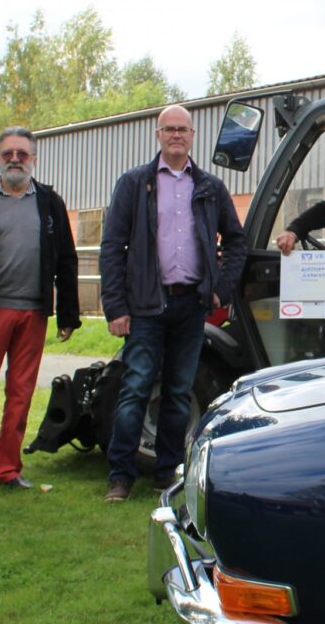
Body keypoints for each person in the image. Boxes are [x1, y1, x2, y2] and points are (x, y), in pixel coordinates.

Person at [100, 105, 247, 502]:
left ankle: (166, 472)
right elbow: (112, 247)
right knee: (135, 389)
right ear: (159, 135)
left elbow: (236, 241)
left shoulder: (210, 187)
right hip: (145, 305)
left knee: (179, 393)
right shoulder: (135, 183)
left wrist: (221, 288)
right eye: (169, 129)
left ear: (192, 135)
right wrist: (116, 307)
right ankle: (120, 477)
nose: (176, 135)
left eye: (183, 129)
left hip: (191, 305)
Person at [0, 126, 80, 499]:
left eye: (22, 153)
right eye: (8, 153)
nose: (15, 159)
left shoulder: (50, 203)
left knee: (20, 394)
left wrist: (67, 314)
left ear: (33, 158)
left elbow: (66, 260)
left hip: (33, 313)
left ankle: (8, 470)